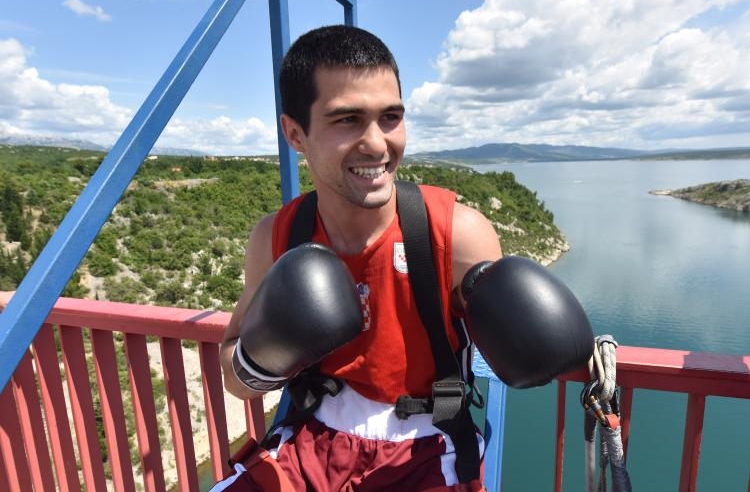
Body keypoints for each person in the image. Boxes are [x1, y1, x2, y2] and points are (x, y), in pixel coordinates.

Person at [217, 25, 593, 492]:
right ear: (295, 133)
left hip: (427, 453)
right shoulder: (277, 237)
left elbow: (521, 347)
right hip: (309, 447)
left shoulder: (456, 233)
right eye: (347, 119)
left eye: (390, 117)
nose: (377, 144)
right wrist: (268, 352)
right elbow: (236, 378)